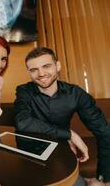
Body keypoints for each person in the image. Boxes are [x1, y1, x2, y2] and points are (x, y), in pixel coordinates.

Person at [14, 47, 110, 185]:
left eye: (46, 66)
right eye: (33, 69)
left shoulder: (75, 93)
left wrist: (104, 178)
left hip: (61, 151)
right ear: (28, 72)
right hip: (28, 154)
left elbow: (104, 132)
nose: (41, 73)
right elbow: (22, 122)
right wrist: (69, 134)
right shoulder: (24, 91)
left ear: (57, 66)